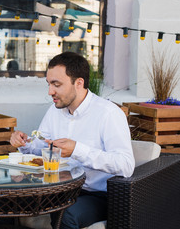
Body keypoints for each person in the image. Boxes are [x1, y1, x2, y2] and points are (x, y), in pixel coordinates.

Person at [10, 52, 135, 229]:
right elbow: (40, 147)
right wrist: (24, 143)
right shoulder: (55, 110)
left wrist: (78, 150)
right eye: (49, 84)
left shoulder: (108, 113)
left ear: (79, 83)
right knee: (9, 201)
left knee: (65, 214)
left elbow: (126, 165)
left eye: (56, 84)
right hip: (59, 189)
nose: (50, 91)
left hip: (98, 195)